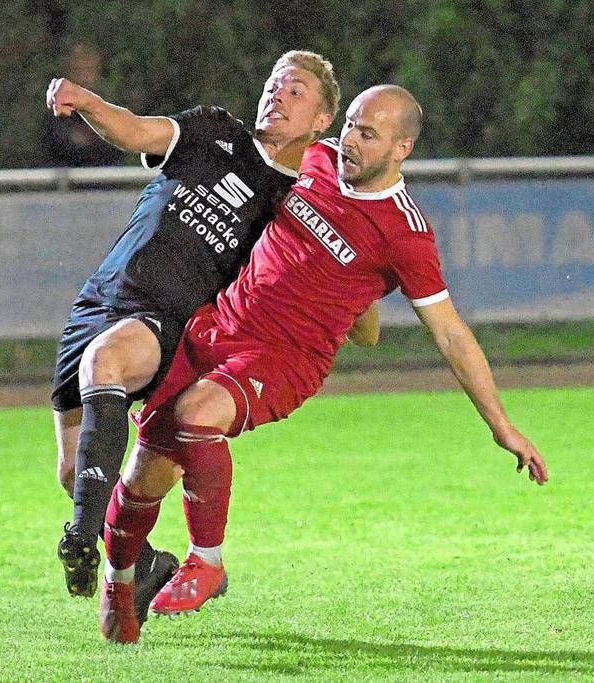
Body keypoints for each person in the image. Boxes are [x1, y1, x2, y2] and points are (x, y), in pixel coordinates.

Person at [98, 84, 549, 643]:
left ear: (402, 147)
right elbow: (331, 272)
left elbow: (452, 335)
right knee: (144, 475)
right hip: (218, 326)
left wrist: (502, 427)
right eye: (351, 125)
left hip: (284, 358)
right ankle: (118, 584)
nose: (351, 142)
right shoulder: (316, 160)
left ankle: (206, 561)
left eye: (369, 134)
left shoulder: (405, 231)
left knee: (199, 414)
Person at [46, 51, 377, 623]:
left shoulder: (302, 197)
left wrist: (356, 290)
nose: (277, 94)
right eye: (273, 83)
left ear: (324, 119)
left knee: (111, 369)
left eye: (296, 91)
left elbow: (352, 301)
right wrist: (88, 103)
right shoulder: (215, 130)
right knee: (76, 472)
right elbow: (136, 131)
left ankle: (104, 546)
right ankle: (142, 562)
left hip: (168, 319)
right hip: (100, 297)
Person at [42, 43, 125, 167]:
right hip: (67, 181)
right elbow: (54, 145)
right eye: (78, 69)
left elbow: (120, 143)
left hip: (106, 180)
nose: (83, 74)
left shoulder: (110, 106)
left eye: (87, 68)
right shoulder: (57, 105)